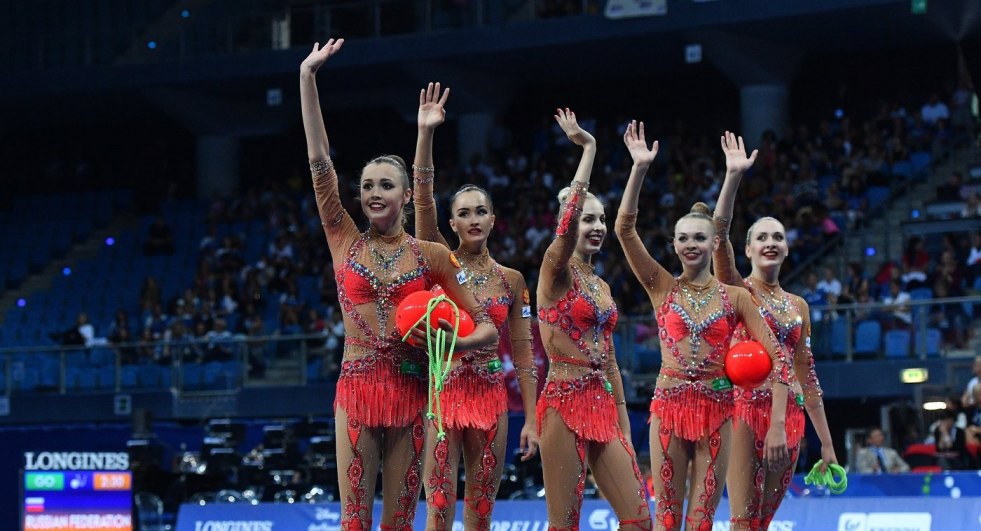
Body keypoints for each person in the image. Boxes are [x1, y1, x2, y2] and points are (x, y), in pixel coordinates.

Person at [301, 38, 499, 529]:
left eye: (385, 185)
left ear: (407, 194)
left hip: (414, 393)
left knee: (399, 519)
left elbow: (488, 329)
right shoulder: (343, 239)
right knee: (354, 520)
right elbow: (320, 163)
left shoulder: (430, 255)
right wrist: (308, 78)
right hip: (358, 390)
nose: (372, 193)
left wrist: (452, 343)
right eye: (366, 185)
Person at [615, 121, 790, 531]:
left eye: (699, 238)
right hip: (669, 409)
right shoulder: (660, 285)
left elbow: (779, 356)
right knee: (667, 518)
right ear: (674, 244)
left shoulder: (736, 297)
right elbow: (625, 229)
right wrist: (638, 168)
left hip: (718, 411)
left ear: (714, 244)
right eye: (683, 238)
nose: (690, 244)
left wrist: (778, 420)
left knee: (701, 521)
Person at [412, 82, 540, 529]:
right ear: (451, 223)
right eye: (464, 213)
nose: (472, 220)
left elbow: (523, 354)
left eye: (480, 211)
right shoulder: (439, 262)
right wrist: (426, 133)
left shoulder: (513, 280)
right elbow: (423, 197)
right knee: (441, 507)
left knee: (482, 511)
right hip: (443, 394)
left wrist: (532, 418)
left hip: (491, 397)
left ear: (492, 218)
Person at [712, 131, 839, 530]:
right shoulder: (736, 289)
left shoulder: (798, 305)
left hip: (791, 417)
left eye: (777, 237)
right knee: (742, 519)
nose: (770, 242)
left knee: (763, 521)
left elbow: (809, 376)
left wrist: (828, 445)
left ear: (786, 248)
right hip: (745, 412)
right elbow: (718, 237)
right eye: (761, 237)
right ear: (747, 249)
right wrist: (733, 177)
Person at [536, 109, 651, 530]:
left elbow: (611, 361)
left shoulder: (601, 286)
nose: (597, 226)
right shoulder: (554, 271)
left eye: (601, 218)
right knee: (564, 523)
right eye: (588, 219)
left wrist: (623, 428)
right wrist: (589, 149)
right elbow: (564, 231)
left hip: (603, 406)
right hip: (563, 404)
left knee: (639, 519)